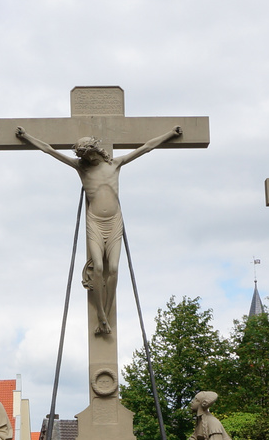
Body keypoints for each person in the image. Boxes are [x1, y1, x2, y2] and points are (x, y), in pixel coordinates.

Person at [14, 124, 183, 337]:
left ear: (95, 150)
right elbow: (49, 150)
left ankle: (107, 315)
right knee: (98, 267)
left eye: (89, 154)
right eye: (83, 156)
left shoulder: (115, 164)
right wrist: (27, 137)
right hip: (94, 222)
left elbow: (146, 147)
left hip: (113, 222)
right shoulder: (81, 167)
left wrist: (170, 135)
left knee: (113, 268)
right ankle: (101, 316)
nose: (88, 159)